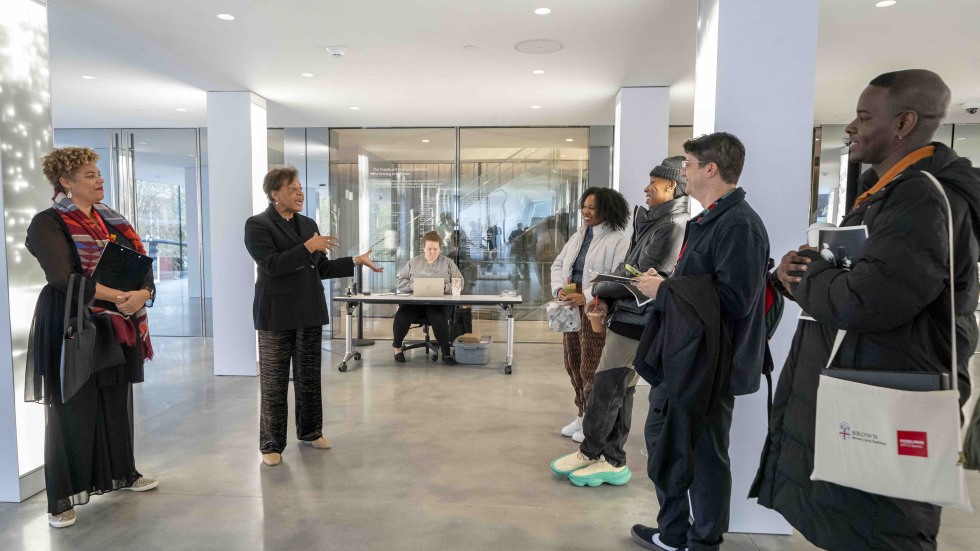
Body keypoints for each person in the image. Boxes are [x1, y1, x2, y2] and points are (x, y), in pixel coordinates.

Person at [752, 70, 980, 550]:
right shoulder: (890, 193)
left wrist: (810, 274)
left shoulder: (920, 198)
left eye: (862, 116)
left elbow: (866, 301)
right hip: (868, 383)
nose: (851, 128)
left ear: (904, 124)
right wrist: (807, 271)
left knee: (880, 528)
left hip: (887, 395)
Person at [630, 133, 770, 551]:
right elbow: (704, 287)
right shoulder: (711, 219)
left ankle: (703, 541)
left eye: (689, 165)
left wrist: (665, 291)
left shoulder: (739, 225)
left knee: (705, 457)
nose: (683, 173)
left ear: (711, 169)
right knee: (667, 444)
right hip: (685, 356)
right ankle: (673, 533)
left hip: (708, 366)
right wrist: (668, 285)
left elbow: (734, 300)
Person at [27, 147, 159, 528]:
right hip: (73, 321)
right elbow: (63, 278)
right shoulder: (47, 223)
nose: (99, 179)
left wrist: (143, 293)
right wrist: (119, 296)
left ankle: (123, 473)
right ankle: (61, 499)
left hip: (118, 320)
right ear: (65, 183)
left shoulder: (113, 220)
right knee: (72, 407)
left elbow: (139, 263)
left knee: (116, 399)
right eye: (89, 175)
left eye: (98, 173)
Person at [550, 157, 689, 486]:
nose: (646, 188)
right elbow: (628, 272)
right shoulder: (654, 222)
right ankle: (611, 458)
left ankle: (593, 452)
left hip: (636, 318)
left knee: (606, 384)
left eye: (653, 182)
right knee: (619, 389)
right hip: (621, 312)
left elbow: (639, 279)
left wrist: (596, 289)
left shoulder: (671, 225)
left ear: (671, 185)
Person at [244, 167, 381, 467]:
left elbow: (321, 267)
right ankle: (271, 443)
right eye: (291, 188)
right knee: (275, 382)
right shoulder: (257, 225)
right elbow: (272, 265)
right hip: (275, 315)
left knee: (309, 378)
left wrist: (355, 261)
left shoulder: (307, 224)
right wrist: (307, 247)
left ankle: (310, 431)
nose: (299, 192)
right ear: (274, 193)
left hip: (308, 311)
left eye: (300, 187)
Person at [550, 188, 630, 442]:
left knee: (591, 368)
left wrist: (585, 295)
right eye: (584, 206)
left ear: (607, 209)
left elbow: (617, 278)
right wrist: (560, 289)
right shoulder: (579, 235)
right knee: (572, 363)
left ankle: (594, 422)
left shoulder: (619, 240)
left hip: (595, 311)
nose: (585, 211)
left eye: (592, 207)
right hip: (571, 309)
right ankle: (583, 414)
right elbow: (559, 264)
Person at [392, 230, 462, 366]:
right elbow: (399, 282)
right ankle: (397, 349)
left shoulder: (447, 263)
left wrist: (444, 288)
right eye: (429, 249)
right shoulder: (414, 262)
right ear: (423, 248)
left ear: (440, 248)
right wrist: (414, 286)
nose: (432, 252)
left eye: (435, 249)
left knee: (437, 316)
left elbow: (460, 282)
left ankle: (446, 353)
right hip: (415, 304)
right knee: (402, 315)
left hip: (439, 305)